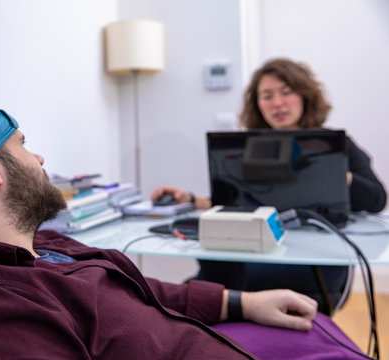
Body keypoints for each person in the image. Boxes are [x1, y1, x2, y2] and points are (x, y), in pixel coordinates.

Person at [0, 109, 367, 359]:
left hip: (209, 335)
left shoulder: (46, 245)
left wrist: (244, 302)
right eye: (24, 145)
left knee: (320, 325)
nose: (40, 160)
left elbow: (142, 287)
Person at [151, 58, 387, 315]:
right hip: (260, 251)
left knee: (207, 282)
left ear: (305, 96)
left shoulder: (336, 145)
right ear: (258, 104)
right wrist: (190, 199)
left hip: (314, 262)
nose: (277, 103)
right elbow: (238, 203)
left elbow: (376, 200)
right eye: (267, 96)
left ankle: (201, 304)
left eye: (286, 92)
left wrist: (337, 172)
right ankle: (199, 308)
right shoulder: (252, 148)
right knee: (211, 257)